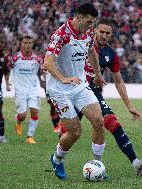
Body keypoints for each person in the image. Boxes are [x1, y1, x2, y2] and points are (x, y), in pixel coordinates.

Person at [60, 18, 142, 176]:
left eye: (107, 33)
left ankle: (137, 164)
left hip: (93, 95)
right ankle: (58, 161)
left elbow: (118, 81)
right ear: (95, 31)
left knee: (112, 122)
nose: (104, 35)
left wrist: (129, 106)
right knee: (68, 132)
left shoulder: (111, 54)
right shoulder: (81, 43)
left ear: (111, 35)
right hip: (73, 92)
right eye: (101, 32)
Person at [44, 3, 107, 180]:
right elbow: (48, 62)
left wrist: (98, 74)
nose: (91, 26)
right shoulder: (61, 35)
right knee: (75, 132)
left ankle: (98, 166)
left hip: (79, 85)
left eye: (93, 23)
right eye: (89, 22)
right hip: (59, 90)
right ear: (78, 17)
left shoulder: (87, 34)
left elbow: (91, 52)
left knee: (98, 121)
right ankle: (57, 159)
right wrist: (63, 78)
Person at [6, 35, 42, 144]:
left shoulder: (37, 59)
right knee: (22, 116)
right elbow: (7, 69)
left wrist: (43, 80)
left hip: (33, 89)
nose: (27, 45)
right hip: (20, 90)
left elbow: (43, 69)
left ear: (32, 44)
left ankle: (29, 137)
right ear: (21, 44)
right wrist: (7, 83)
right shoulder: (15, 58)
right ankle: (18, 121)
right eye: (25, 43)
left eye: (29, 43)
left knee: (34, 111)